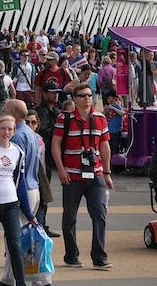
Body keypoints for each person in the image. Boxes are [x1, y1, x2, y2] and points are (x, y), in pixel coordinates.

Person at [51, 83, 113, 270]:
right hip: (72, 175)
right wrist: (60, 169)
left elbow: (105, 146)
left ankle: (99, 257)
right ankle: (71, 256)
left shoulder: (100, 118)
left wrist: (108, 173)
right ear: (75, 99)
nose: (87, 98)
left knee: (99, 215)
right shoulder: (65, 118)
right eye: (82, 95)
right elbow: (55, 144)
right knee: (69, 216)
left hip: (96, 174)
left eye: (89, 95)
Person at [0, 115, 36, 286]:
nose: (6, 132)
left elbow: (20, 182)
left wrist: (28, 212)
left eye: (10, 129)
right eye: (3, 128)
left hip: (11, 203)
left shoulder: (18, 151)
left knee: (15, 247)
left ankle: (21, 283)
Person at [0, 99, 47, 286]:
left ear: (14, 114)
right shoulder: (31, 133)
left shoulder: (18, 136)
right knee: (22, 237)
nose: (3, 111)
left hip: (22, 190)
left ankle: (12, 279)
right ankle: (16, 277)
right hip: (32, 187)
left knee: (15, 237)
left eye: (5, 110)